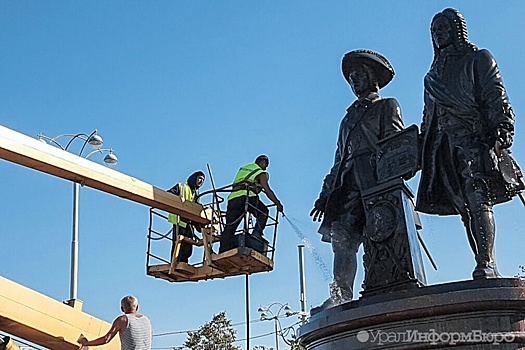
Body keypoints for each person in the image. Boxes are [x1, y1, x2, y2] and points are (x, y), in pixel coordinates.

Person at [416, 8, 524, 279]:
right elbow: (427, 117)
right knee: (463, 208)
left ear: (456, 30)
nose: (438, 34)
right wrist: (415, 151)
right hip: (442, 146)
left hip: (473, 138)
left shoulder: (478, 59)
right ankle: (481, 260)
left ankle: (487, 262)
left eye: (443, 28)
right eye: (434, 31)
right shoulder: (431, 78)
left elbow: (494, 94)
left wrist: (501, 127)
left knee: (478, 199)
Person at [310, 50, 404, 305]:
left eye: (359, 75)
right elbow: (338, 160)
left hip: (375, 180)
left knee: (382, 236)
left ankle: (393, 284)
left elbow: (397, 144)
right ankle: (341, 294)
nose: (354, 82)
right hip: (347, 186)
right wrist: (325, 194)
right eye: (351, 78)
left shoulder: (387, 105)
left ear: (372, 77)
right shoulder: (346, 119)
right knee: (341, 238)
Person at [219, 155, 284, 253]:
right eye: (266, 165)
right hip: (247, 196)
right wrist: (278, 203)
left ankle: (223, 251)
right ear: (263, 163)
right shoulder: (260, 172)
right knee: (263, 212)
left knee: (230, 227)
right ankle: (256, 233)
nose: (266, 168)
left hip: (233, 199)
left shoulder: (244, 168)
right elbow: (267, 190)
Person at [78, 295, 152, 350]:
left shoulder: (123, 320)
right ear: (137, 307)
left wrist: (86, 343)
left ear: (122, 308)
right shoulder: (147, 320)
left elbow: (106, 339)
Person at [167, 171, 205, 263]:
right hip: (179, 221)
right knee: (178, 244)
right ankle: (175, 263)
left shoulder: (196, 194)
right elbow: (168, 195)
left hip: (190, 224)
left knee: (188, 246)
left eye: (203, 180)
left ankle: (184, 263)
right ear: (194, 178)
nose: (201, 181)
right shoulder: (182, 187)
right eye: (200, 178)